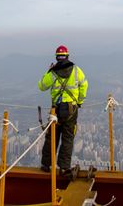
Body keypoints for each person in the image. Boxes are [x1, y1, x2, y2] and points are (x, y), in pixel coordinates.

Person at [39, 45, 87, 173]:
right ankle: (64, 167)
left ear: (56, 57)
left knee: (51, 137)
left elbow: (42, 86)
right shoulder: (77, 70)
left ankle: (46, 165)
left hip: (56, 110)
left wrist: (48, 71)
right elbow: (84, 85)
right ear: (67, 56)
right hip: (71, 109)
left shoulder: (53, 72)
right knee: (68, 138)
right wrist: (80, 101)